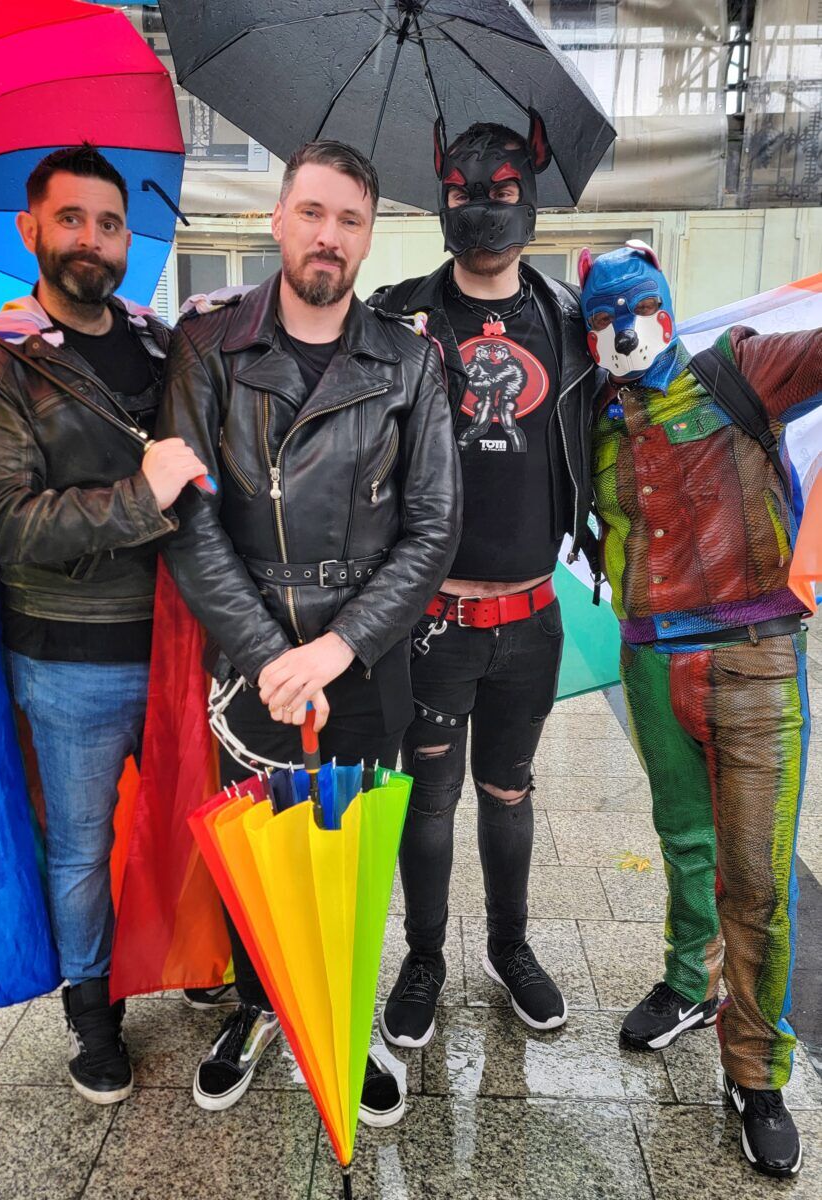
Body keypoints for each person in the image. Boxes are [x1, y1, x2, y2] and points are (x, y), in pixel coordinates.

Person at [154, 140, 461, 1120]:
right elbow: (189, 525)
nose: (330, 235)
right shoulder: (209, 349)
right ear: (278, 220)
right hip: (251, 656)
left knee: (349, 851)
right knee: (260, 854)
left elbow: (432, 526)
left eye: (352, 219)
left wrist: (337, 647)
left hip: (364, 661)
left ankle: (342, 1010)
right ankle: (255, 1005)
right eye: (315, 212)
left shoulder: (409, 363)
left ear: (370, 238)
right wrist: (268, 654)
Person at [0, 144, 208, 1104]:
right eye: (71, 220)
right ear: (32, 230)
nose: (91, 241)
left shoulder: (155, 345)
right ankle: (91, 1012)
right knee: (82, 848)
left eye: (107, 223)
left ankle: (196, 962)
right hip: (68, 661)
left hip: (181, 642)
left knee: (190, 824)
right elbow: (2, 523)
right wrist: (140, 498)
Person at [580, 240, 820, 1178]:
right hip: (648, 662)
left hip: (753, 660)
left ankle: (756, 1070)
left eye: (636, 308)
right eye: (602, 318)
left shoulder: (741, 371)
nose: (622, 329)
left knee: (755, 878)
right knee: (684, 840)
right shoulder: (594, 415)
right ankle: (690, 983)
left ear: (668, 308)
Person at [370, 118, 595, 1047]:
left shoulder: (573, 321)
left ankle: (511, 948)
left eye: (502, 189)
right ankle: (424, 958)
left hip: (533, 617)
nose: (483, 205)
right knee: (429, 797)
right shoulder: (392, 318)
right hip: (433, 618)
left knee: (509, 789)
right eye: (465, 191)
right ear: (439, 196)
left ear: (532, 195)